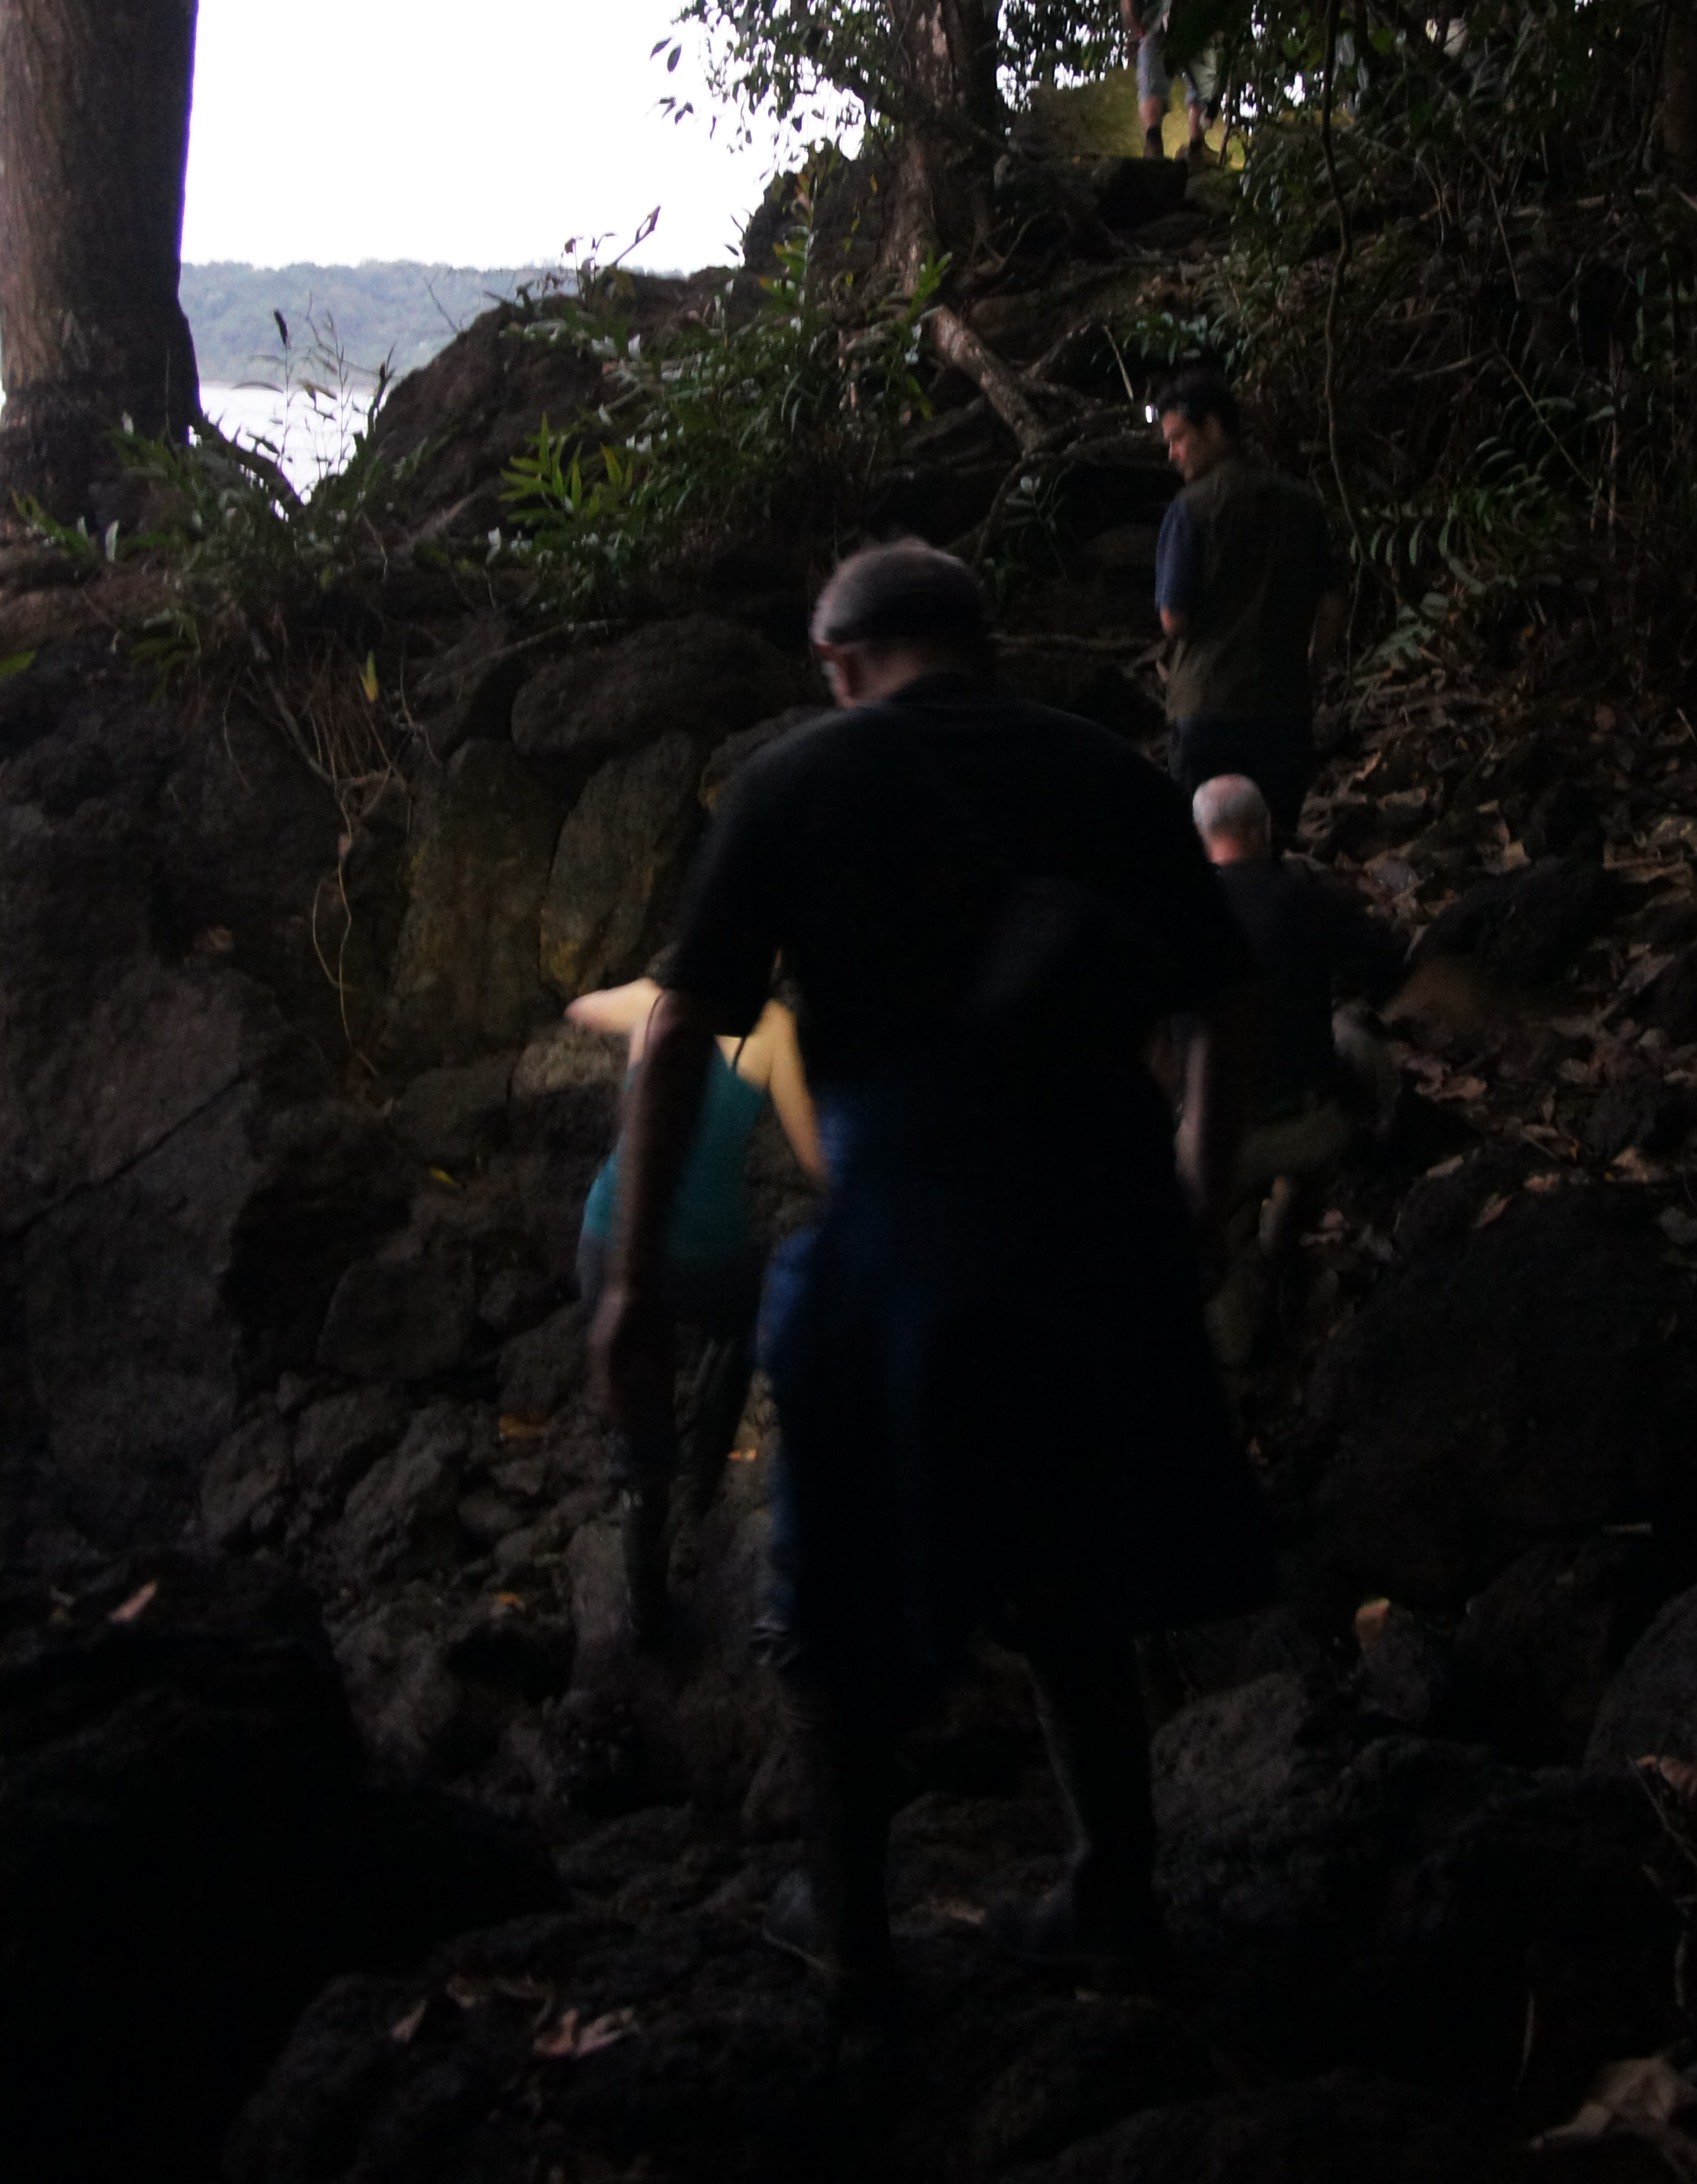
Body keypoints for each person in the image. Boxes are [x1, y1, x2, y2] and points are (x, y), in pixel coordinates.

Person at [587, 539, 1272, 2005]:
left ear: (839, 661)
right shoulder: (1111, 776)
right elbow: (1222, 1002)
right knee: (1075, 1582)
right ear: (982, 643)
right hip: (1099, 1222)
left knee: (833, 1595)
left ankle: (851, 1943)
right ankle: (1114, 1896)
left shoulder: (796, 776)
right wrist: (1198, 1185)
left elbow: (675, 1031)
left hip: (907, 1233)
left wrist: (633, 1280)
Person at [567, 977, 821, 1644]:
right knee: (743, 1319)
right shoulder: (773, 1027)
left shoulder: (649, 998)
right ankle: (697, 1497)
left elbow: (581, 1008)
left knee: (641, 1423)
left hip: (608, 1241)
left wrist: (616, 1017)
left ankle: (646, 1607)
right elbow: (815, 1156)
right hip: (706, 1259)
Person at [1189, 774, 1403, 1352]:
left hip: (1216, 1142)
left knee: (1222, 1253)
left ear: (1199, 837)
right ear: (1264, 829)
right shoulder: (1304, 899)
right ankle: (1286, 1234)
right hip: (1309, 1124)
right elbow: (1386, 969)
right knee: (1351, 1038)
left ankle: (1239, 1352)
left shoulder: (1174, 915)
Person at [1152, 363, 1343, 843]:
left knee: (1201, 851)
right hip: (1284, 710)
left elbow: (1173, 618)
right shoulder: (1301, 503)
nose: (1173, 454)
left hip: (1207, 710)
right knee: (1273, 843)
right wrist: (1313, 670)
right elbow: (1332, 602)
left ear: (1214, 428)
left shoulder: (1191, 509)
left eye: (1179, 439)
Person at [1121, 0, 1223, 162]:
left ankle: (1154, 143)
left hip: (1156, 21)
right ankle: (1196, 145)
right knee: (1202, 81)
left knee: (1152, 83)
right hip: (1194, 20)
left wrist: (1135, 32)